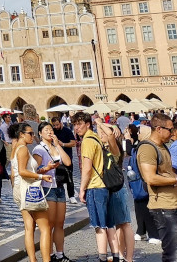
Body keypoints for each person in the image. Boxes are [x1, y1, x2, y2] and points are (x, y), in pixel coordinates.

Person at [73, 111, 131, 262]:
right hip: (105, 186)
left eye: (79, 124)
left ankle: (102, 257)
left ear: (87, 124)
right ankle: (116, 256)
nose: (76, 128)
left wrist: (81, 189)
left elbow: (86, 168)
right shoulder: (96, 139)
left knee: (99, 227)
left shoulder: (87, 140)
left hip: (95, 186)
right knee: (110, 224)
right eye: (74, 125)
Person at [136, 113, 177, 262]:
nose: (172, 133)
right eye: (170, 129)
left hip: (175, 204)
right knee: (172, 253)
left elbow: (169, 174)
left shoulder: (163, 147)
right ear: (158, 128)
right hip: (163, 207)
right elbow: (150, 177)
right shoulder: (147, 148)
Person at [12, 122, 52, 262]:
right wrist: (41, 176)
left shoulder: (15, 147)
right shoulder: (23, 149)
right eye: (30, 133)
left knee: (29, 228)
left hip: (20, 189)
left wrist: (44, 169)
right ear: (21, 134)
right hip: (29, 190)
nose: (33, 136)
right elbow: (23, 172)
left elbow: (15, 173)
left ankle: (32, 260)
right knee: (45, 227)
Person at [38, 121, 73, 262]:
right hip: (48, 188)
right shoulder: (39, 149)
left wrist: (58, 144)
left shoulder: (55, 147)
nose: (49, 131)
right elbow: (36, 170)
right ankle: (50, 255)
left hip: (59, 187)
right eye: (46, 129)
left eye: (51, 129)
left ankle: (60, 254)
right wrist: (46, 168)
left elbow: (68, 162)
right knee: (50, 224)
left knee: (60, 223)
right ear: (40, 133)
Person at [51, 116, 78, 205]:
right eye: (54, 125)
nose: (56, 127)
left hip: (67, 157)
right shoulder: (53, 132)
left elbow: (73, 143)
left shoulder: (67, 131)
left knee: (69, 177)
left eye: (57, 125)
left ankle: (71, 196)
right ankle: (60, 195)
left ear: (61, 123)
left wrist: (62, 144)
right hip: (56, 158)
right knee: (58, 177)